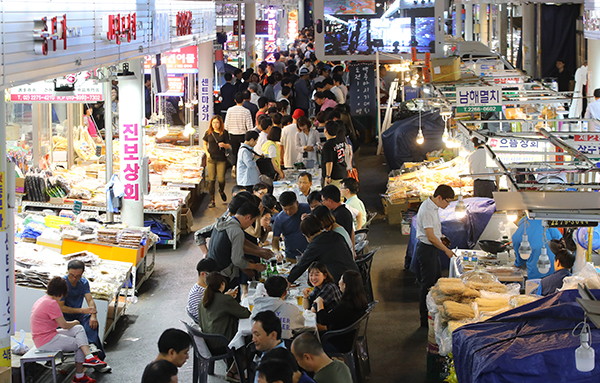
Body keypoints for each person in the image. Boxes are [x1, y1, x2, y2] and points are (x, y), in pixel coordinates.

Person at [31, 277, 106, 383]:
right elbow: (64, 325)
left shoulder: (43, 299)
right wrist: (76, 321)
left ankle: (89, 357)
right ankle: (80, 375)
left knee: (79, 329)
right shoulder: (52, 303)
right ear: (62, 292)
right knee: (81, 343)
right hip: (46, 340)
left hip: (44, 336)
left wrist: (76, 324)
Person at [415, 185, 456, 327]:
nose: (448, 204)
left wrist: (442, 237)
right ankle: (424, 321)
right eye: (448, 201)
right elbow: (431, 237)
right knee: (427, 285)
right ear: (439, 198)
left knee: (436, 282)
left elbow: (435, 233)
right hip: (427, 250)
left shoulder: (433, 206)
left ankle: (434, 315)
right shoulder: (427, 210)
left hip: (431, 248)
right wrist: (446, 250)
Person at [59, 260, 110, 371]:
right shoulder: (62, 284)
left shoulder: (83, 282)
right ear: (67, 272)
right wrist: (82, 310)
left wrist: (93, 315)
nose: (74, 279)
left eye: (77, 276)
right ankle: (91, 353)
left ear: (82, 273)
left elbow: (90, 300)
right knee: (81, 323)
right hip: (63, 318)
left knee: (91, 322)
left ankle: (94, 353)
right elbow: (61, 307)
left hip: (78, 315)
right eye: (72, 275)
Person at [206, 202, 266, 281]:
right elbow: (237, 261)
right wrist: (255, 266)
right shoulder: (237, 231)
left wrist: (258, 251)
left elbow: (227, 248)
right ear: (248, 217)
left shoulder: (223, 221)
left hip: (212, 270)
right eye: (253, 221)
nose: (250, 225)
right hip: (224, 275)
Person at [288, 215, 358, 283]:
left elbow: (301, 265)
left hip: (341, 281)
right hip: (355, 275)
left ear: (307, 234)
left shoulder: (316, 244)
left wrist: (288, 281)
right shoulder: (336, 235)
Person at [197, 272, 251, 354]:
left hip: (208, 344)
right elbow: (245, 313)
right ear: (222, 284)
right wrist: (228, 298)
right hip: (222, 343)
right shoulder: (225, 300)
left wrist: (226, 296)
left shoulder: (203, 301)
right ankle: (242, 361)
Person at [315, 270, 368, 352]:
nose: (338, 283)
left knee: (310, 339)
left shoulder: (346, 305)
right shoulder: (360, 300)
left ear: (345, 285)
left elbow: (324, 320)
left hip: (338, 342)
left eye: (341, 280)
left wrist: (320, 302)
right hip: (349, 338)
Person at [272, 191, 311, 262]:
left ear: (297, 203)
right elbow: (275, 239)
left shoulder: (308, 209)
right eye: (285, 209)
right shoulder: (279, 219)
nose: (288, 212)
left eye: (291, 208)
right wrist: (277, 252)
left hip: (311, 253)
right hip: (292, 256)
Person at [251, 310, 287, 383]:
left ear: (273, 335)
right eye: (253, 334)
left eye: (257, 335)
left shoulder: (278, 363)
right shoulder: (268, 351)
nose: (253, 339)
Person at [204, 115, 232, 208]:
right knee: (211, 180)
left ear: (220, 123)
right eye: (213, 123)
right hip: (211, 159)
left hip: (221, 159)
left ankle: (221, 190)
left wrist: (224, 145)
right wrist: (207, 153)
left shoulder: (224, 133)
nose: (215, 124)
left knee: (221, 179)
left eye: (217, 122)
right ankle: (212, 200)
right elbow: (205, 143)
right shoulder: (208, 133)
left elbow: (229, 146)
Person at [225, 92, 254, 167]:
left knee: (234, 153)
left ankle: (234, 166)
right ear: (243, 100)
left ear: (235, 100)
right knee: (242, 152)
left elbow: (226, 125)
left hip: (232, 135)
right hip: (242, 135)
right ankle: (241, 167)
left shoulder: (230, 110)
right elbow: (249, 126)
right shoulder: (246, 111)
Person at [187, 258, 219, 323]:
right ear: (203, 274)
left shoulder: (208, 287)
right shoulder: (196, 294)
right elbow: (206, 317)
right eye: (213, 275)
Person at [321, 122, 346, 187]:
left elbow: (329, 162)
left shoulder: (328, 145)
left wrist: (328, 176)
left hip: (334, 176)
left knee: (332, 196)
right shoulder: (340, 141)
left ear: (325, 130)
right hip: (342, 171)